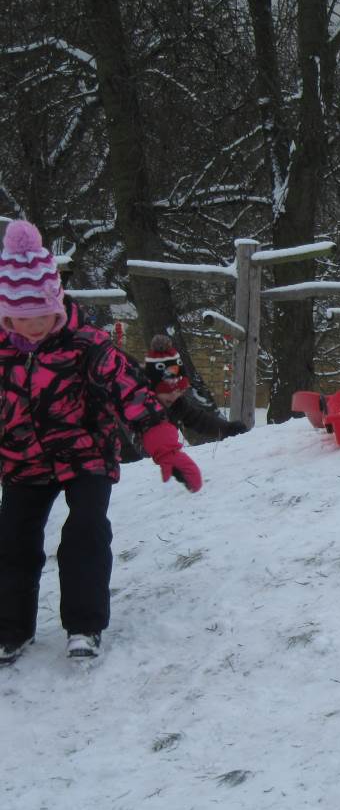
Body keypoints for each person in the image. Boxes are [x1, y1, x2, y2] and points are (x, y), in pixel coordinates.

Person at [0, 221, 201, 666]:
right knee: (12, 541)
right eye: (20, 320)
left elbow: (132, 393)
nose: (32, 329)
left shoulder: (87, 346)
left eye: (41, 318)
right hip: (22, 460)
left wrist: (166, 448)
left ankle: (83, 626)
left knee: (85, 531)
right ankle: (10, 629)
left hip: (86, 454)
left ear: (57, 306)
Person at [142, 335, 247, 441]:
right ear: (153, 388)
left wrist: (228, 429)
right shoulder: (139, 408)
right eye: (168, 391)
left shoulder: (176, 404)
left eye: (179, 390)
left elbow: (200, 420)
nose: (174, 396)